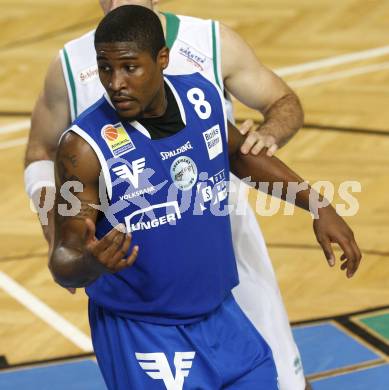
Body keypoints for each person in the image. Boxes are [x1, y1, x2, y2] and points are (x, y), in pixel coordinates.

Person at [49, 6, 361, 390]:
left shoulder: (200, 95)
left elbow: (237, 155)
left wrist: (317, 203)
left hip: (221, 316)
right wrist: (88, 263)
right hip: (145, 333)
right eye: (105, 68)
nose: (115, 83)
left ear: (161, 59)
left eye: (129, 68)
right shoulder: (82, 148)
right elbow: (64, 256)